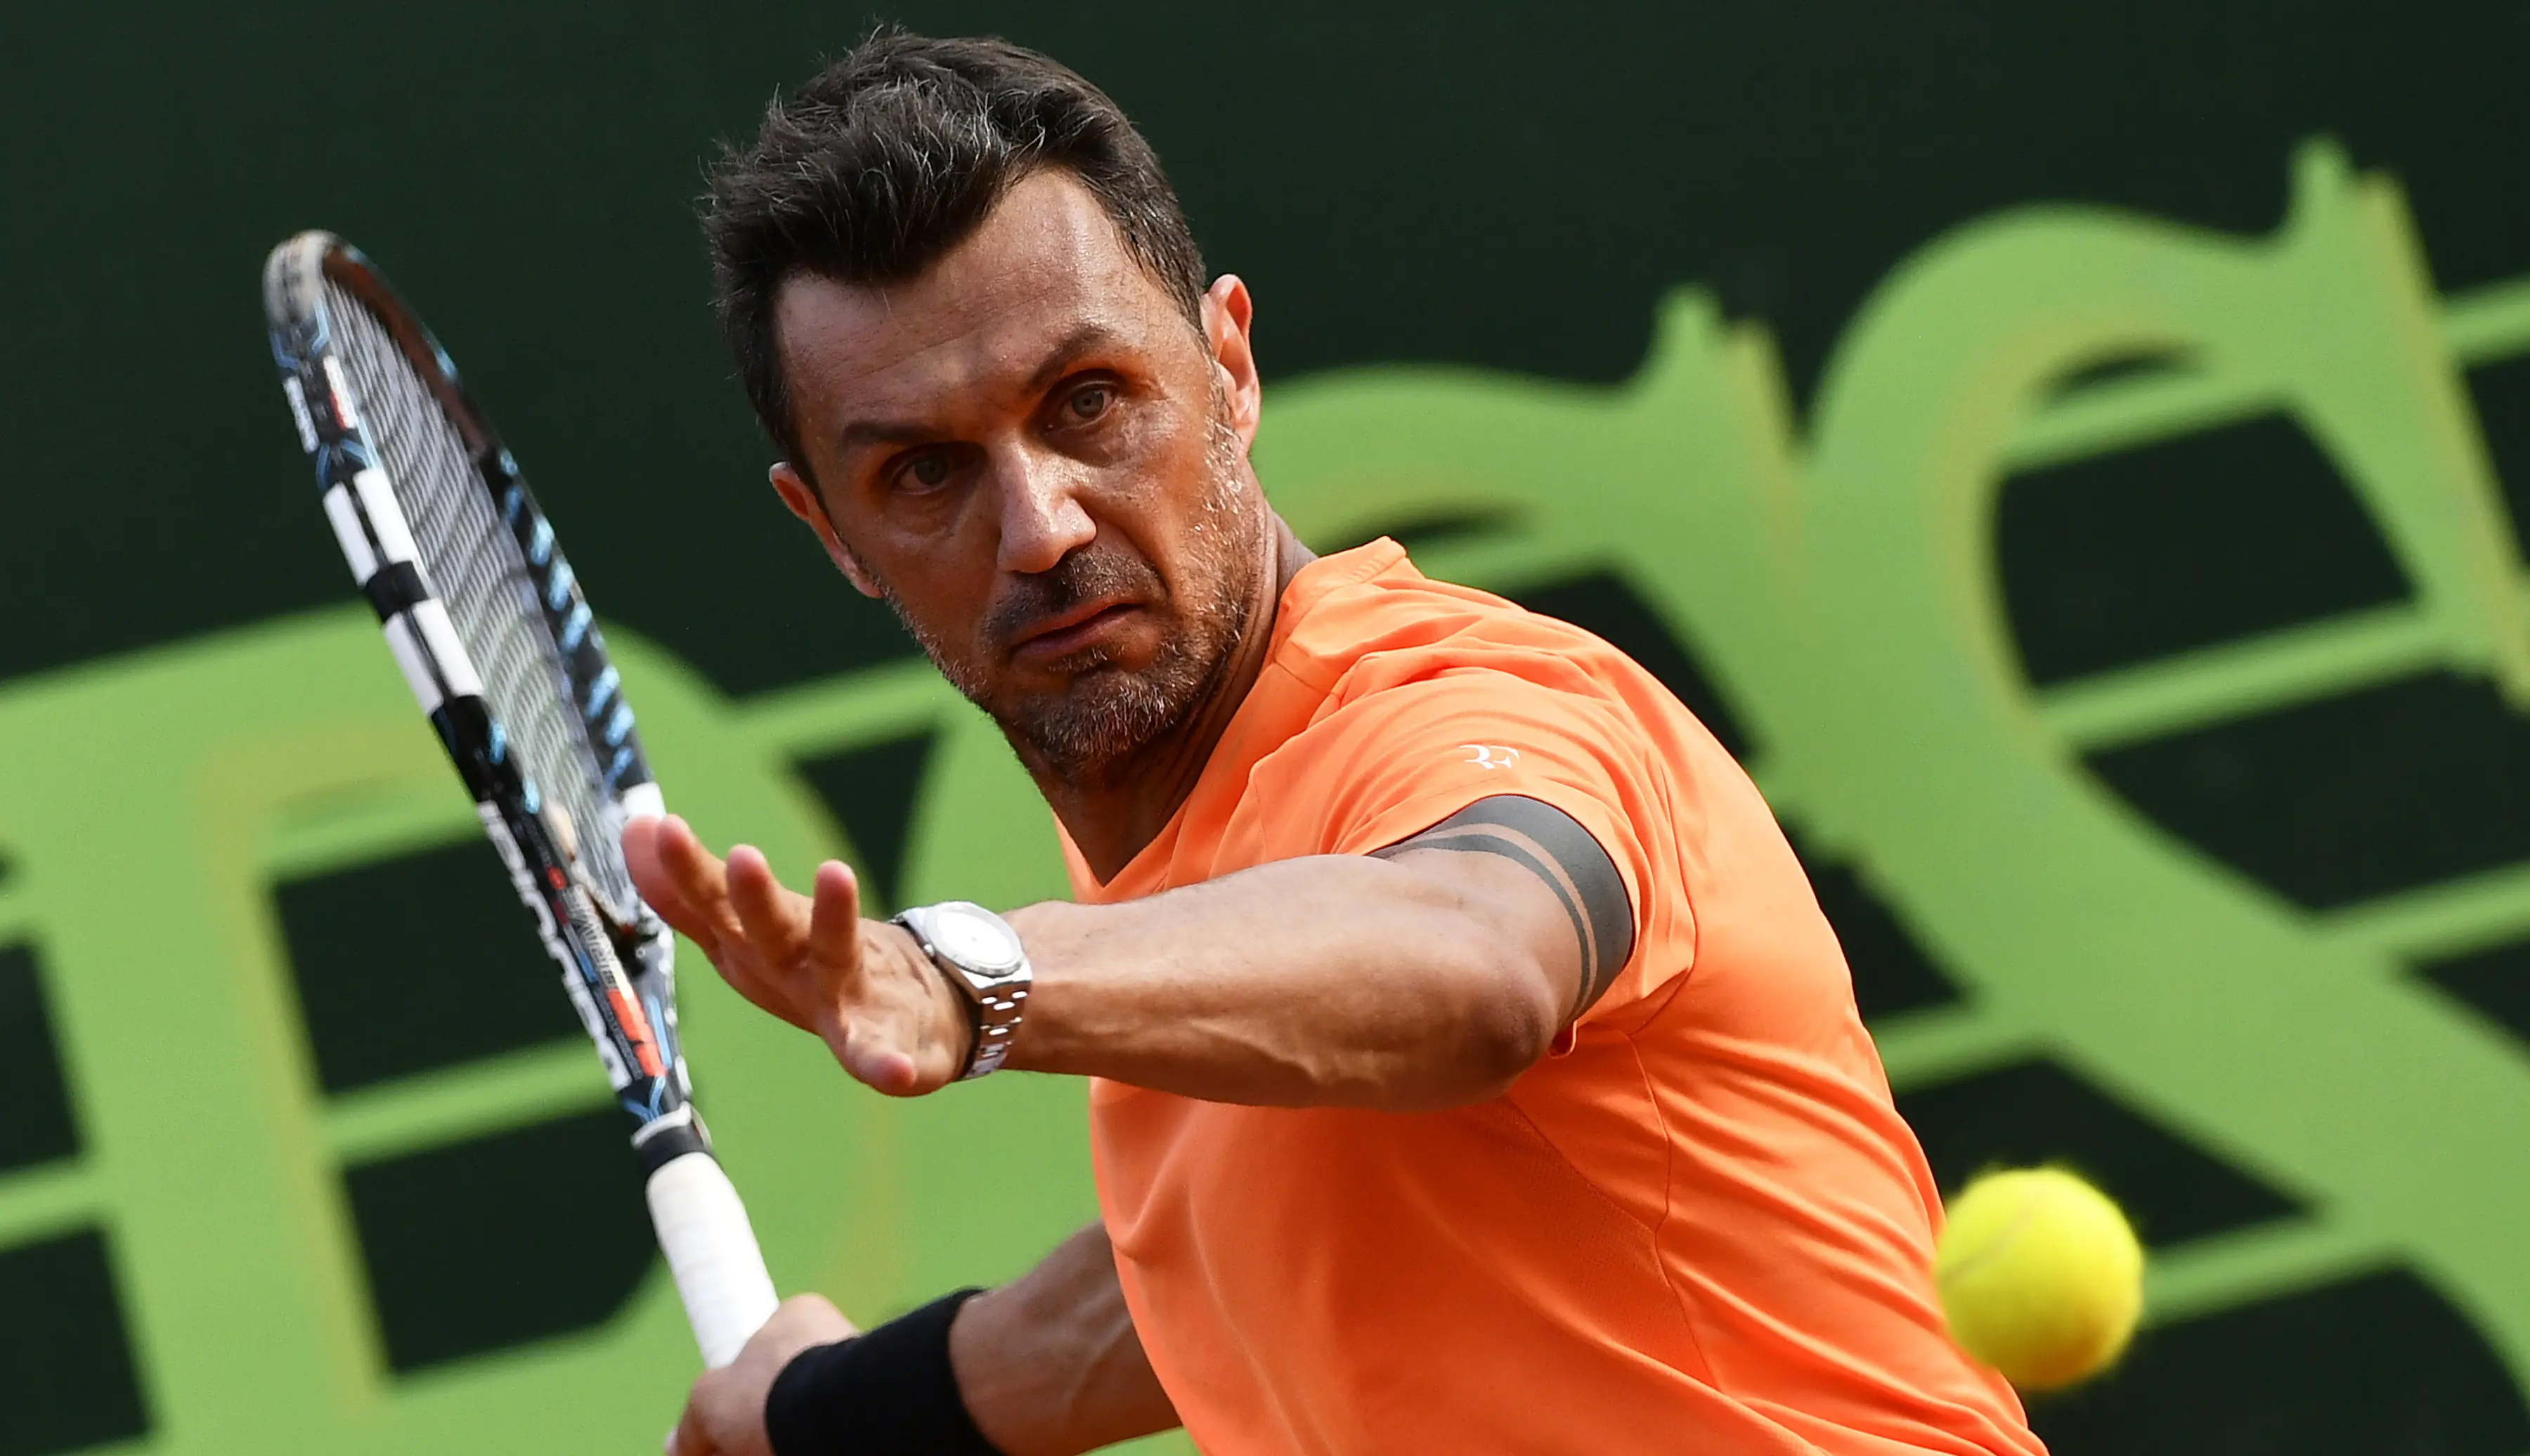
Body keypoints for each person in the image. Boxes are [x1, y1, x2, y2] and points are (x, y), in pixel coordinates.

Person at [639, 28, 2045, 1456]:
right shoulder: (1193, 861)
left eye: (1088, 403)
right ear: (836, 535)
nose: (1041, 526)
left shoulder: (1473, 712)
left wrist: (971, 974)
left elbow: (1478, 959)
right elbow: (1206, 1280)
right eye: (925, 470)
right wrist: (824, 1413)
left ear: (1231, 367)